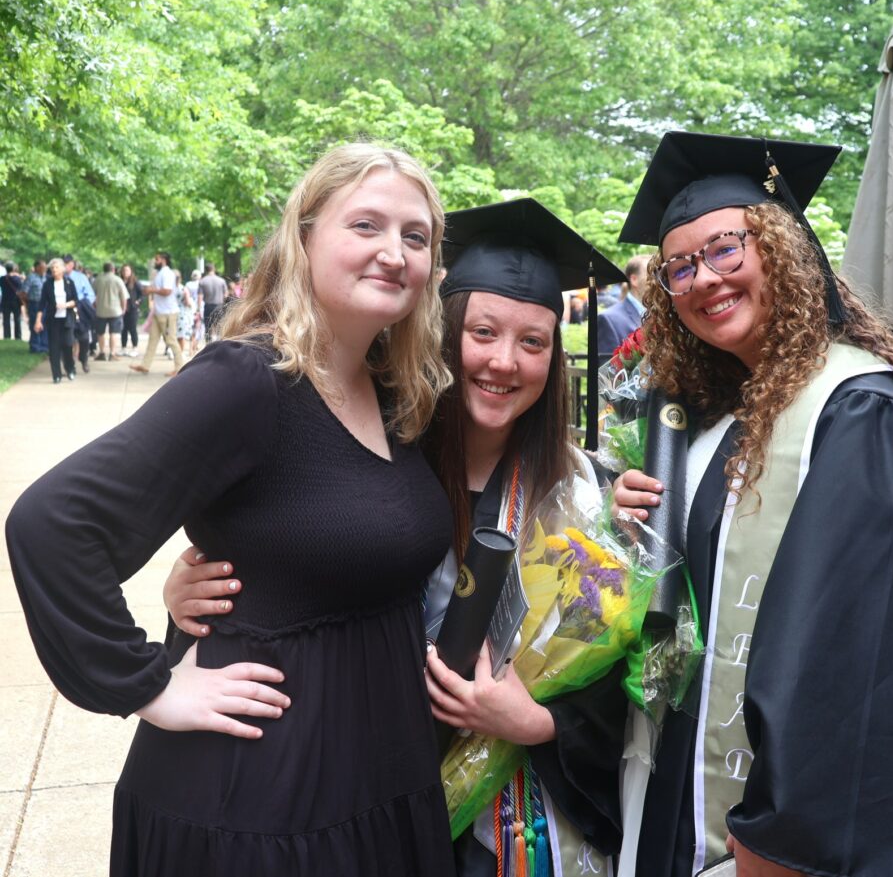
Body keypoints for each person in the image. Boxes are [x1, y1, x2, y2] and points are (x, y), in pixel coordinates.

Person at [7, 143, 459, 876]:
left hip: (377, 776)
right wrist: (147, 683)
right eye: (366, 225)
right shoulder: (250, 380)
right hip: (261, 807)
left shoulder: (395, 392)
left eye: (416, 236)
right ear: (305, 236)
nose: (393, 252)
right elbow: (53, 522)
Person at [161, 198, 628, 876]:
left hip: (511, 821)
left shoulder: (579, 490)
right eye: (483, 332)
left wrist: (541, 725)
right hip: (355, 784)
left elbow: (611, 667)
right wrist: (194, 597)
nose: (505, 361)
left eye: (534, 342)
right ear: (443, 331)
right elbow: (286, 566)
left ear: (555, 359)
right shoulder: (370, 452)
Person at [611, 132, 893, 876]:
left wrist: (780, 841)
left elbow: (875, 658)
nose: (702, 279)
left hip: (796, 839)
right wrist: (638, 521)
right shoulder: (719, 419)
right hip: (690, 797)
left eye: (727, 248)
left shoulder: (858, 410)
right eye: (679, 267)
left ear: (782, 249)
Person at [130, 251, 183, 376]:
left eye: (157, 259)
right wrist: (149, 290)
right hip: (159, 311)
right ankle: (145, 365)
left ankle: (180, 367)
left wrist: (151, 290)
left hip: (168, 313)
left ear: (164, 260)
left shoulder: (167, 274)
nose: (155, 261)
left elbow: (167, 291)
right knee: (152, 340)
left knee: (171, 340)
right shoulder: (160, 274)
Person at [32, 257, 78, 383]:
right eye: (52, 268)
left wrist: (65, 305)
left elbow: (75, 301)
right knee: (54, 348)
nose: (54, 270)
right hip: (53, 320)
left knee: (68, 345)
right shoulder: (47, 284)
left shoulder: (69, 283)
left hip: (67, 318)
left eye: (56, 267)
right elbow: (42, 304)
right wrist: (38, 320)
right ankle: (56, 375)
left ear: (62, 269)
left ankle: (70, 369)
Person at [596, 254, 650, 355]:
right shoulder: (609, 319)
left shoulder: (661, 316)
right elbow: (608, 369)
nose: (657, 280)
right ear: (634, 279)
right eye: (651, 274)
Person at [64, 255, 95, 372]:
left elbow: (90, 294)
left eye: (67, 263)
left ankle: (84, 359)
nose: (65, 266)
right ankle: (70, 364)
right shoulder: (60, 278)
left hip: (80, 310)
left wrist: (85, 305)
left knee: (84, 338)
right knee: (68, 339)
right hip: (66, 310)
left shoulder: (80, 277)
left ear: (72, 264)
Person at [93, 261, 130, 361]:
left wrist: (95, 305)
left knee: (100, 332)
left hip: (101, 310)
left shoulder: (98, 279)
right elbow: (124, 296)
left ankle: (101, 352)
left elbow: (92, 294)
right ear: (113, 269)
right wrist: (123, 308)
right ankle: (112, 353)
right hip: (115, 310)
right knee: (114, 332)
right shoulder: (118, 280)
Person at [198, 262, 229, 340]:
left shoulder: (202, 281)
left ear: (206, 270)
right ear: (214, 269)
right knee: (219, 327)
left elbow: (200, 296)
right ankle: (219, 344)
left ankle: (208, 345)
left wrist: (198, 309)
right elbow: (226, 295)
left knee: (208, 328)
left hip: (208, 306)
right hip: (219, 305)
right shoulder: (221, 281)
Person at [119, 264, 143, 356]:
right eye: (124, 270)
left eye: (127, 270)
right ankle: (123, 347)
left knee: (132, 329)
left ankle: (135, 347)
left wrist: (138, 302)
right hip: (123, 309)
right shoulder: (120, 281)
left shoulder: (135, 282)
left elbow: (142, 293)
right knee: (123, 329)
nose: (125, 272)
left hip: (132, 308)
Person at [24, 259, 48, 353]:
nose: (44, 269)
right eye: (43, 267)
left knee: (44, 324)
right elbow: (24, 292)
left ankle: (44, 346)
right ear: (37, 267)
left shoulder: (46, 278)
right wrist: (27, 304)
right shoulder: (31, 277)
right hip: (34, 303)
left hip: (45, 304)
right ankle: (35, 346)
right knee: (35, 324)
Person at [1, 261, 25, 340]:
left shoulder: (2, 279)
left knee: (6, 320)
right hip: (16, 301)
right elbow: (21, 288)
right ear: (13, 269)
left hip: (5, 301)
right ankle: (18, 336)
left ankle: (7, 336)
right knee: (17, 320)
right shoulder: (17, 278)